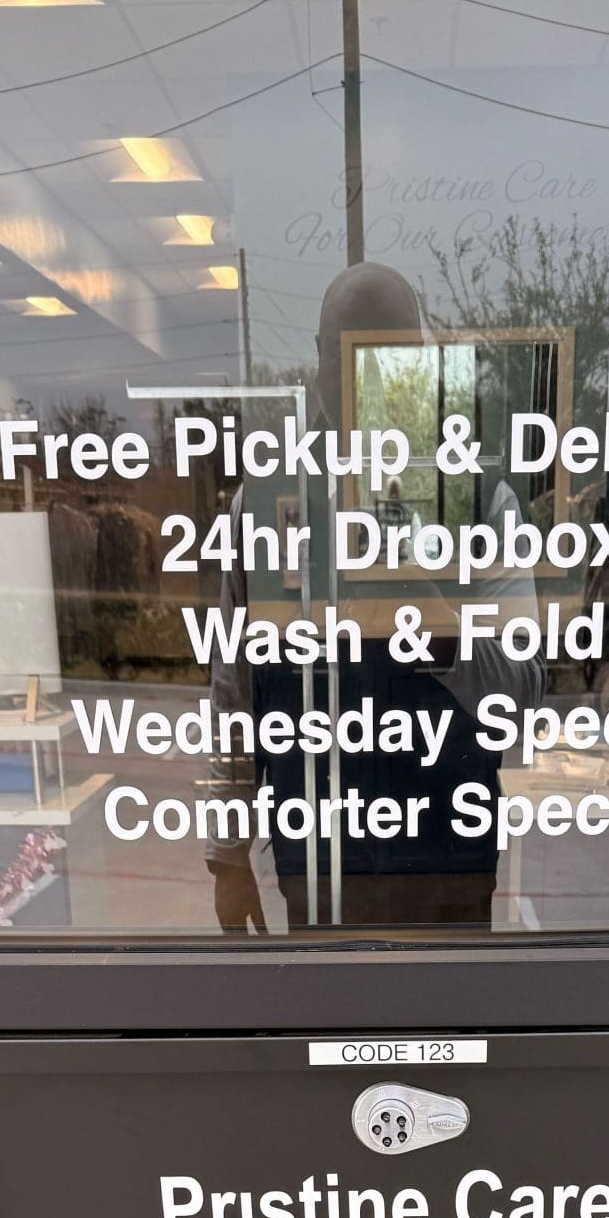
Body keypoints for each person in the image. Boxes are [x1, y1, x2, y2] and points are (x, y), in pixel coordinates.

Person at [206, 262, 545, 935]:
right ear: (317, 359)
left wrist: (434, 625)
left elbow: (522, 696)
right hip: (318, 870)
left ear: (418, 359)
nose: (363, 378)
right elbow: (234, 696)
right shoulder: (264, 507)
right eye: (344, 353)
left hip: (448, 863)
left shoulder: (483, 502)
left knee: (450, 1041)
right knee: (325, 1041)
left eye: (385, 354)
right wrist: (227, 854)